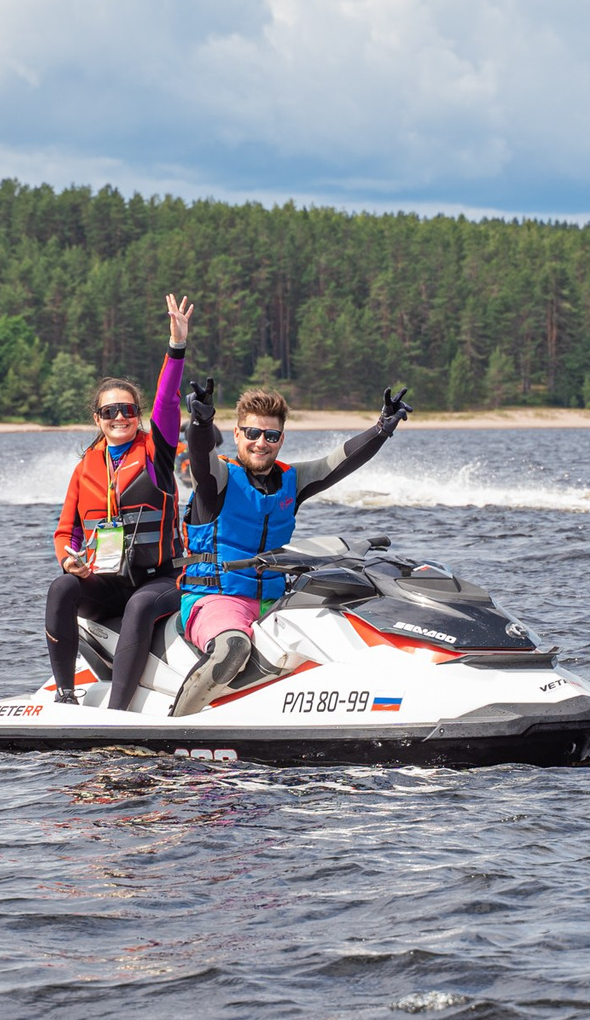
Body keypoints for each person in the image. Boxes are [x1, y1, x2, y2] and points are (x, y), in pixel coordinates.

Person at [170, 380, 411, 716]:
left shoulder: (291, 480)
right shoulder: (218, 479)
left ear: (281, 440)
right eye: (252, 433)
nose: (260, 443)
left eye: (270, 436)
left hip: (273, 601)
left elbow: (339, 460)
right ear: (237, 435)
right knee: (234, 647)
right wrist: (200, 423)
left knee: (345, 630)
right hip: (216, 600)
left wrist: (382, 429)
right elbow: (198, 455)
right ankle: (177, 727)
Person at [45, 295, 193, 711]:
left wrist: (175, 347)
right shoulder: (85, 468)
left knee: (142, 603)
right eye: (110, 410)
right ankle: (65, 695)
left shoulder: (156, 453)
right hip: (106, 582)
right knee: (61, 588)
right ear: (97, 418)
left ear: (137, 414)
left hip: (159, 581)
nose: (119, 417)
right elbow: (65, 532)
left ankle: (118, 712)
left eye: (127, 409)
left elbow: (167, 401)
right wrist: (68, 560)